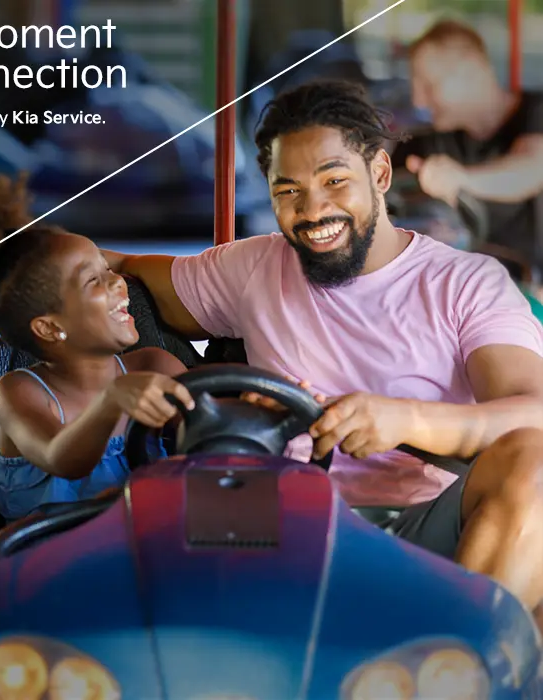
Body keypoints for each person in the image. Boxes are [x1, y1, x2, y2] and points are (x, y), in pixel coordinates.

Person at [102, 79, 543, 629]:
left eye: (334, 181)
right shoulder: (252, 267)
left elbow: (532, 414)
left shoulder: (466, 283)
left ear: (379, 174)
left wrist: (402, 418)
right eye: (288, 191)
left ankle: (447, 663)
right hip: (279, 525)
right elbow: (106, 269)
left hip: (427, 532)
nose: (313, 210)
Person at [0, 173, 195, 522]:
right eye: (93, 280)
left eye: (107, 269)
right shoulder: (18, 393)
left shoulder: (156, 365)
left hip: (152, 556)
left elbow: (211, 431)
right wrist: (112, 400)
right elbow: (61, 458)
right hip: (47, 566)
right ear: (50, 326)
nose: (118, 281)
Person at [391, 19, 543, 274]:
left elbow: (532, 169)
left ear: (472, 71)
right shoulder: (426, 143)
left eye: (429, 85)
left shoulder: (535, 112)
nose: (419, 101)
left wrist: (459, 179)